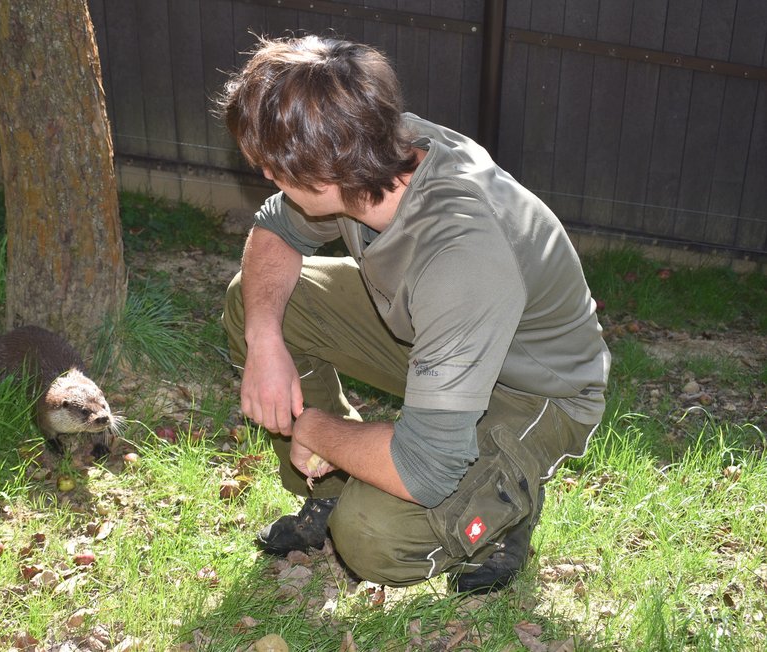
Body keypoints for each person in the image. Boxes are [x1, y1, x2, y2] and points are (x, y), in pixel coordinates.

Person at [217, 34, 610, 593]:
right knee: (260, 302)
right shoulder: (373, 150)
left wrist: (315, 428)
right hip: (439, 330)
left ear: (323, 174)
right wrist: (263, 341)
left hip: (534, 390)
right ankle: (327, 492)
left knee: (373, 536)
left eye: (271, 168)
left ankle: (503, 512)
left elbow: (423, 470)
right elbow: (275, 226)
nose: (265, 178)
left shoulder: (462, 257)